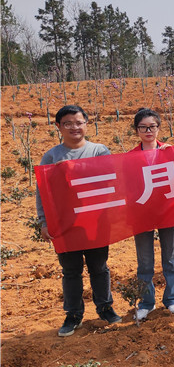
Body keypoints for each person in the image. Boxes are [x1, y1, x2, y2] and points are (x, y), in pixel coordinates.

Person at [35, 105, 122, 336]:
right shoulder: (52, 156)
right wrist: (44, 222)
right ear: (58, 127)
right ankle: (73, 314)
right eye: (68, 123)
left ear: (86, 123)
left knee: (99, 267)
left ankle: (105, 308)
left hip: (95, 222)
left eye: (79, 122)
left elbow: (111, 182)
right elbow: (42, 192)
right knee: (71, 271)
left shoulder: (99, 151)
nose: (74, 127)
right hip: (64, 225)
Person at [128, 108, 174, 320]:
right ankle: (146, 302)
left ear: (159, 128)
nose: (148, 130)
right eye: (143, 127)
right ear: (137, 130)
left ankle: (173, 299)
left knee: (171, 258)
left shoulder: (171, 152)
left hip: (168, 212)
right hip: (141, 214)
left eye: (152, 126)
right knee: (145, 262)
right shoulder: (130, 157)